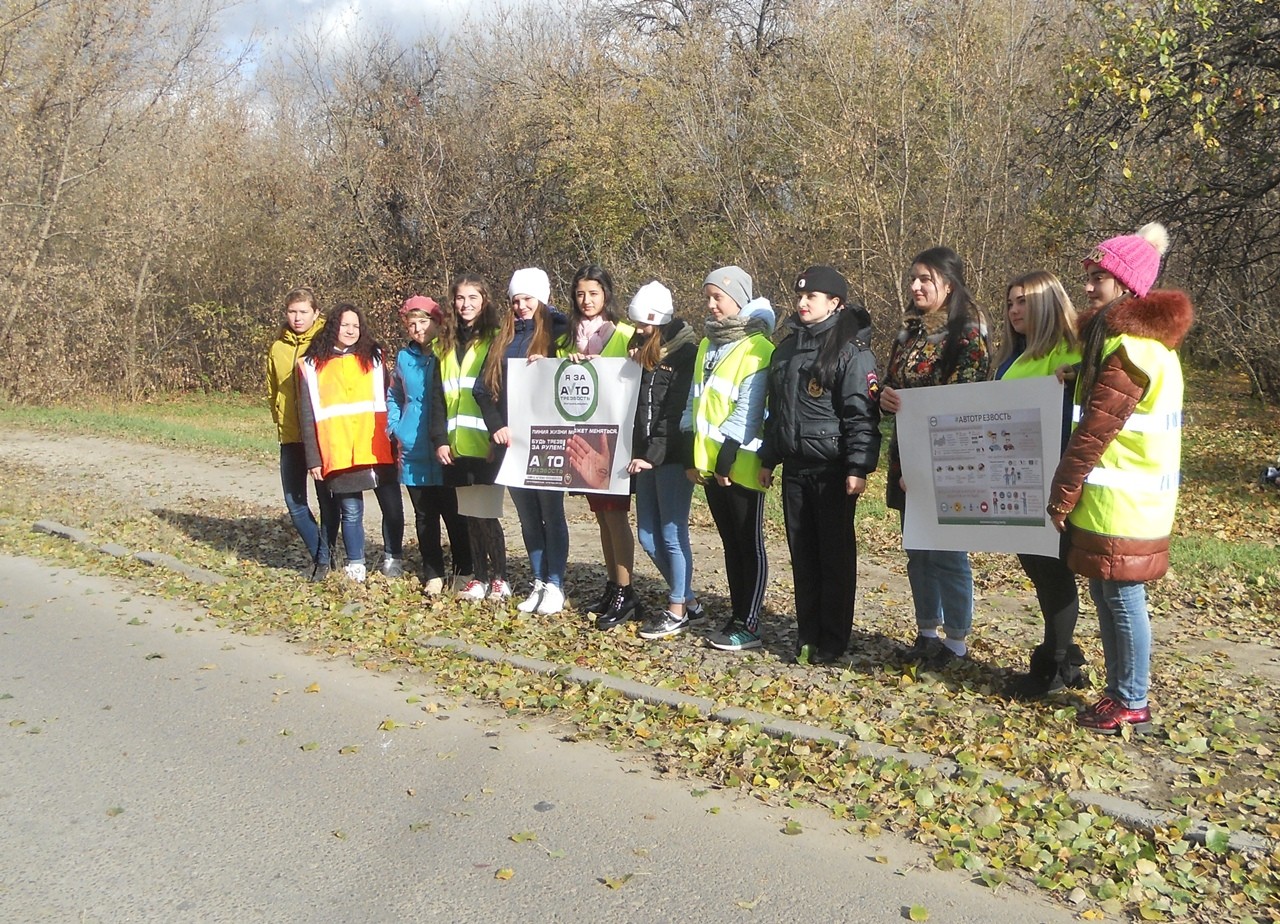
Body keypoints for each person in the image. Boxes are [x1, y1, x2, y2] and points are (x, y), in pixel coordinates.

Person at [1047, 223, 1193, 734]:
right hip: (1130, 501)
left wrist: (1061, 494)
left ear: (1127, 286)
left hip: (1122, 504)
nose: (1088, 288)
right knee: (1111, 597)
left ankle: (1131, 697)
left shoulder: (1128, 350)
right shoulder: (1148, 347)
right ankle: (1120, 691)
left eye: (1098, 278)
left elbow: (1094, 433)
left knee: (1123, 601)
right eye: (1088, 276)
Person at [758, 266, 881, 664]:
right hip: (795, 467)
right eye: (800, 296)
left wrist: (858, 467)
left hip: (832, 471)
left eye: (813, 297)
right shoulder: (787, 349)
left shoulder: (850, 350)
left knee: (834, 558)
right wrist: (769, 457)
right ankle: (807, 632)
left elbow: (860, 414)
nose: (803, 303)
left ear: (835, 303)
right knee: (803, 556)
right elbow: (777, 413)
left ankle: (833, 638)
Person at [879, 247, 990, 669]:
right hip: (905, 458)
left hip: (950, 459)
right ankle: (927, 631)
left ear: (949, 283)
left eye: (926, 278)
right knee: (918, 550)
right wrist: (884, 398)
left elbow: (966, 397)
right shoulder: (908, 333)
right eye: (913, 278)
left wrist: (930, 462)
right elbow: (888, 385)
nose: (916, 286)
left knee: (947, 552)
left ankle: (956, 640)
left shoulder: (968, 330)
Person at [992, 271, 1087, 697]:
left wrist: (1076, 377)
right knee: (1039, 573)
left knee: (1053, 577)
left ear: (1047, 303)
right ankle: (1065, 653)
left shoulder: (1072, 353)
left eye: (1023, 302)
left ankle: (1049, 665)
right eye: (1010, 303)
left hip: (1052, 485)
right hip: (1014, 486)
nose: (1014, 311)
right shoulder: (1013, 358)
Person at [682, 265, 775, 651]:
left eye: (717, 297)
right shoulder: (708, 343)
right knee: (729, 543)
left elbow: (748, 410)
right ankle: (737, 613)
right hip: (709, 463)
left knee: (747, 542)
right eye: (708, 297)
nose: (711, 304)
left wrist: (727, 458)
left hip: (741, 463)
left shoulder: (758, 346)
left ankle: (749, 621)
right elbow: (695, 399)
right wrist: (691, 451)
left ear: (738, 298)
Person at [474, 268, 570, 616]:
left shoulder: (561, 333)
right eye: (515, 300)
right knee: (529, 518)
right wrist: (496, 426)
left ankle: (556, 583)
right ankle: (539, 581)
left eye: (527, 298)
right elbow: (481, 390)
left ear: (542, 298)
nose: (521, 306)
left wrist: (555, 361)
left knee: (551, 514)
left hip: (548, 442)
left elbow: (578, 374)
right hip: (513, 446)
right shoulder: (504, 337)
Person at [297, 303, 405, 583]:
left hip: (378, 446)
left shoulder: (376, 357)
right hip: (340, 450)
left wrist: (398, 436)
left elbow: (391, 399)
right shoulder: (311, 365)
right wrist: (313, 458)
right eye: (345, 325)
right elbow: (307, 414)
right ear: (333, 326)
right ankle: (356, 563)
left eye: (356, 325)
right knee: (351, 511)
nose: (351, 330)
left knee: (393, 507)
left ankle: (394, 557)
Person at [622, 282, 705, 639]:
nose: (639, 330)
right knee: (646, 535)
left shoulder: (686, 354)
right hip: (642, 456)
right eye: (637, 323)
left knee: (671, 533)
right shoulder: (638, 350)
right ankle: (688, 599)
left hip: (670, 456)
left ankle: (676, 609)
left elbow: (673, 413)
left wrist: (652, 456)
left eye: (645, 324)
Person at [559, 264, 639, 628]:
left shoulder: (625, 332)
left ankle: (626, 590)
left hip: (615, 439)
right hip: (582, 437)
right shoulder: (568, 337)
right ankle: (612, 584)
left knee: (616, 514)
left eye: (593, 293)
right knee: (601, 516)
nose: (586, 300)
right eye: (580, 294)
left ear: (606, 294)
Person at [387, 295, 473, 596]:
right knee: (424, 516)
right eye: (412, 323)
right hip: (412, 448)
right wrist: (395, 426)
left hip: (445, 445)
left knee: (455, 512)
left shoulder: (448, 353)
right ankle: (433, 572)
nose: (418, 328)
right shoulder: (403, 358)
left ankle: (465, 570)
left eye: (424, 321)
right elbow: (394, 395)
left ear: (437, 322)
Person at [432, 273, 510, 602]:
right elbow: (438, 397)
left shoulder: (496, 338)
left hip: (486, 443)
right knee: (469, 517)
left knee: (488, 515)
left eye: (473, 299)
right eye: (460, 299)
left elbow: (501, 393)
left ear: (485, 302)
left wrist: (497, 438)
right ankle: (478, 577)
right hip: (456, 444)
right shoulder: (444, 344)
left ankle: (500, 579)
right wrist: (439, 439)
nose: (466, 305)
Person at [266, 286, 339, 580]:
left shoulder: (325, 343)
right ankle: (322, 556)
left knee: (327, 501)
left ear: (315, 313)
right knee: (294, 502)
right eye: (292, 312)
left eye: (303, 312)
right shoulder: (277, 347)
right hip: (291, 435)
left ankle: (324, 562)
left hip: (321, 435)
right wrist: (279, 419)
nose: (297, 318)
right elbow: (273, 390)